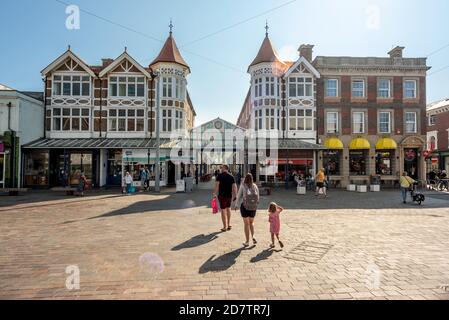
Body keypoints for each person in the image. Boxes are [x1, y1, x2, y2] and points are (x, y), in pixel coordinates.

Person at [234, 173, 259, 247]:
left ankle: (247, 241)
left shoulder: (243, 185)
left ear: (245, 178)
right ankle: (253, 236)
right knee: (251, 223)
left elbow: (238, 196)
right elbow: (258, 197)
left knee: (246, 224)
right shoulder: (255, 186)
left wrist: (236, 205)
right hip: (253, 207)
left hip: (244, 207)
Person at [213, 165, 237, 232]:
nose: (221, 169)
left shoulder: (219, 176)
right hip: (229, 195)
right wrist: (235, 195)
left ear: (224, 168)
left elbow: (217, 186)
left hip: (222, 196)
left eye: (222, 167)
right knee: (228, 208)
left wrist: (214, 194)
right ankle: (229, 224)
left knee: (223, 210)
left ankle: (224, 226)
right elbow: (234, 186)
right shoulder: (231, 176)